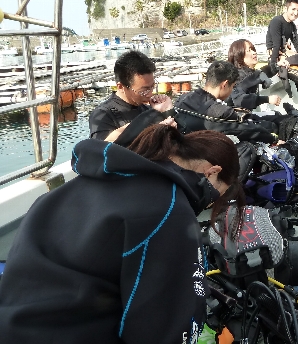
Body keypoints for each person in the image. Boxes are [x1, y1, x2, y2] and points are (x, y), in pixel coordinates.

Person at [0, 125, 240, 343]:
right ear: (212, 172)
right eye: (215, 196)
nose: (209, 203)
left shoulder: (77, 185)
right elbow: (164, 329)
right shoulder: (168, 209)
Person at [175, 60, 288, 145]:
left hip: (188, 145)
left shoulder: (182, 99)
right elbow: (248, 130)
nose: (231, 91)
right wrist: (274, 140)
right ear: (224, 85)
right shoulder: (220, 111)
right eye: (232, 87)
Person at [89, 50, 175, 145]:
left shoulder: (149, 110)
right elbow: (100, 149)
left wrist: (167, 111)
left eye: (152, 87)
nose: (150, 94)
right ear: (121, 87)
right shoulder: (104, 114)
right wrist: (150, 127)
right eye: (144, 90)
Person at [227, 39, 281, 111]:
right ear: (239, 56)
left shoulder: (248, 71)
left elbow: (262, 72)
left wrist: (278, 65)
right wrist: (267, 99)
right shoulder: (238, 77)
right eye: (248, 51)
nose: (254, 53)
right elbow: (239, 100)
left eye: (253, 49)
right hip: (236, 116)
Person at [265, 0, 298, 78]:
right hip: (274, 56)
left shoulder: (292, 25)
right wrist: (274, 65)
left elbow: (297, 44)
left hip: (284, 55)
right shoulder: (277, 21)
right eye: (293, 9)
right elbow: (276, 45)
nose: (296, 13)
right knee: (296, 58)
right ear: (286, 9)